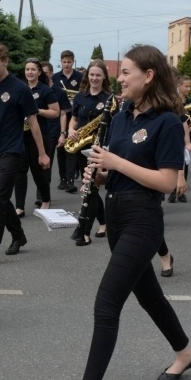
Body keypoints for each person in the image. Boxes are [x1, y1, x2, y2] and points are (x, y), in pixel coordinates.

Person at [50, 45, 191, 380]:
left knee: (107, 302)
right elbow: (114, 170)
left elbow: (166, 181)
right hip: (115, 216)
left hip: (142, 221)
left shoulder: (167, 122)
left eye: (127, 72)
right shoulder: (120, 116)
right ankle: (185, 353)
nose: (121, 78)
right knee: (150, 296)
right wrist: (98, 173)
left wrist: (116, 162)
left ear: (148, 76)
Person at [0, 43, 50, 267]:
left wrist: (42, 154)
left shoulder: (20, 89)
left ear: (5, 61)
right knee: (1, 200)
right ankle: (18, 235)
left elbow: (33, 122)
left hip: (12, 151)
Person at [66, 59, 114, 245]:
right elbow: (74, 119)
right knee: (90, 188)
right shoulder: (80, 97)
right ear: (88, 76)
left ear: (104, 77)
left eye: (98, 75)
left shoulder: (109, 99)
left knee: (91, 188)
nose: (94, 78)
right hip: (81, 146)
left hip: (99, 148)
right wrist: (71, 130)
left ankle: (84, 232)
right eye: (91, 74)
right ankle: (103, 222)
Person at [14, 59, 59, 217]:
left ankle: (45, 200)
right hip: (21, 134)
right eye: (27, 69)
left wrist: (36, 111)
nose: (30, 72)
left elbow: (55, 112)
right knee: (20, 171)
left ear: (39, 72)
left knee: (38, 171)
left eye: (33, 69)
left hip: (39, 134)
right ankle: (19, 206)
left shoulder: (45, 90)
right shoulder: (20, 88)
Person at [53, 50, 83, 193]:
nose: (66, 64)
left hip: (74, 116)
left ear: (73, 62)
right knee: (60, 147)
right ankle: (63, 178)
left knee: (71, 147)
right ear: (61, 62)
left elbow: (83, 94)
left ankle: (70, 179)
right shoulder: (55, 77)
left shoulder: (79, 77)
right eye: (64, 62)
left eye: (69, 62)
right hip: (59, 115)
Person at [41, 60, 71, 207]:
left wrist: (62, 133)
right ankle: (41, 194)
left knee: (47, 164)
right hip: (36, 132)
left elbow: (63, 114)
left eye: (45, 72)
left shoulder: (59, 92)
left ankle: (43, 196)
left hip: (53, 132)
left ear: (51, 74)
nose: (42, 75)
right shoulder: (35, 89)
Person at [168, 73, 191, 203]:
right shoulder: (170, 99)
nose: (189, 89)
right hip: (170, 136)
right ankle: (171, 189)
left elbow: (188, 121)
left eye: (190, 86)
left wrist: (187, 141)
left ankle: (180, 191)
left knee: (183, 164)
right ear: (178, 86)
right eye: (186, 86)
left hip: (183, 136)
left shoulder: (190, 102)